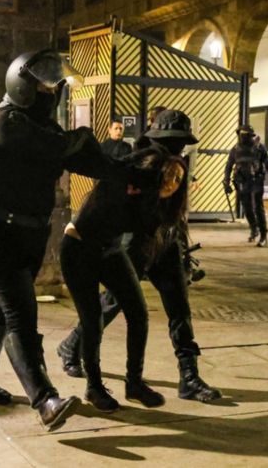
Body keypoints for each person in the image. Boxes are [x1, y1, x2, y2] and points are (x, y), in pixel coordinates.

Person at [0, 49, 120, 431]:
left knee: (2, 309)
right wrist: (83, 137)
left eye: (56, 86)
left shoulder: (45, 128)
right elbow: (61, 149)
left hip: (31, 233)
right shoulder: (6, 121)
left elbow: (85, 160)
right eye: (44, 86)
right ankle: (45, 399)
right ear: (22, 85)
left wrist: (132, 172)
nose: (52, 93)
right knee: (20, 313)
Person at [57, 110, 222, 403]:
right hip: (136, 243)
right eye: (171, 142)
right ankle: (72, 345)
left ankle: (189, 377)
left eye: (181, 143)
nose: (177, 149)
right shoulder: (141, 165)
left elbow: (174, 216)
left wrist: (179, 247)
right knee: (112, 303)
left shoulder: (177, 165)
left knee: (179, 309)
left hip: (166, 243)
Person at [60, 150, 188, 412]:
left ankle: (134, 384)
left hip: (111, 250)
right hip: (79, 248)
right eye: (170, 174)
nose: (173, 182)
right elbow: (117, 167)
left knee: (138, 313)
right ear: (156, 170)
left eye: (179, 179)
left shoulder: (155, 203)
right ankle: (94, 388)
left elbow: (146, 233)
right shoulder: (126, 180)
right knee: (92, 320)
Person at [223, 124, 268, 247]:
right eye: (241, 135)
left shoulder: (259, 148)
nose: (243, 137)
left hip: (256, 181)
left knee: (258, 208)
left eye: (245, 135)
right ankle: (254, 229)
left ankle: (264, 235)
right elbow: (228, 166)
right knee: (247, 208)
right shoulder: (235, 149)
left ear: (250, 136)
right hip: (242, 182)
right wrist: (226, 182)